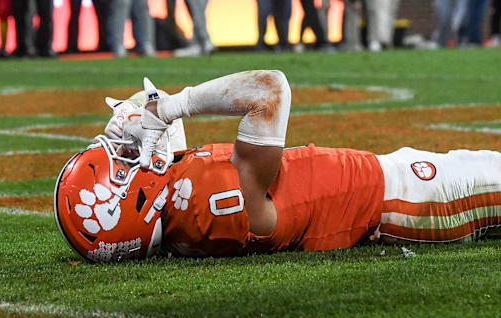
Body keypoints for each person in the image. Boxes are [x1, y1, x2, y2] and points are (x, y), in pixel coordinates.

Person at [54, 71, 501, 262]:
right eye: (124, 164)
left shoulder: (182, 213)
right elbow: (270, 90)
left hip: (388, 184)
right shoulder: (211, 203)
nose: (132, 153)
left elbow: (168, 167)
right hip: (406, 198)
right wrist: (171, 107)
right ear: (131, 200)